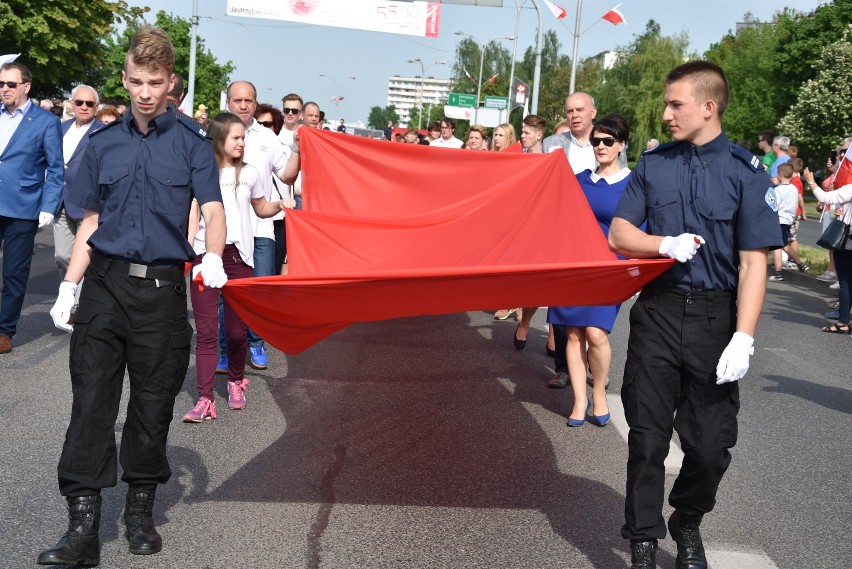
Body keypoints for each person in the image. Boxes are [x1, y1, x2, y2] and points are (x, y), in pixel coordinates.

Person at [39, 25, 227, 566]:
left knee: (152, 407)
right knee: (91, 404)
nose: (146, 92)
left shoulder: (192, 146)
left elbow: (213, 209)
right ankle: (82, 529)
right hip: (104, 288)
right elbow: (90, 221)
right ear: (125, 81)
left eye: (156, 82)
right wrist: (69, 285)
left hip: (164, 292)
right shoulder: (102, 144)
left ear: (172, 84)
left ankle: (140, 512)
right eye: (137, 82)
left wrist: (212, 254)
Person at [608, 61, 783, 569]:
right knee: (646, 438)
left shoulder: (746, 173)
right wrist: (662, 243)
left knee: (709, 447)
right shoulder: (654, 164)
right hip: (658, 313)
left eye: (675, 104)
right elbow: (620, 234)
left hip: (714, 319)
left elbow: (754, 264)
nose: (666, 114)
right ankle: (642, 540)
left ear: (709, 107)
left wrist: (744, 338)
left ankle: (686, 519)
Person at [184, 112, 292, 422]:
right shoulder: (201, 172)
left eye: (243, 137)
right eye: (236, 137)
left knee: (235, 332)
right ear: (219, 139)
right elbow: (193, 213)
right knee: (205, 332)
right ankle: (205, 399)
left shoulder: (253, 173)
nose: (242, 143)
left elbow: (261, 208)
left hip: (240, 260)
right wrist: (189, 251)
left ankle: (235, 381)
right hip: (206, 256)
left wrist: (281, 205)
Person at [546, 114, 632, 429]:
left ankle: (598, 392)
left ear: (622, 144)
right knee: (572, 333)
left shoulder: (633, 184)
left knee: (595, 333)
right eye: (596, 141)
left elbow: (640, 229)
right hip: (575, 267)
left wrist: (633, 272)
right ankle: (580, 400)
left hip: (610, 270)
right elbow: (556, 218)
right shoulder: (580, 180)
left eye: (608, 141)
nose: (600, 146)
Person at [223, 80, 299, 372]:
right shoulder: (214, 135)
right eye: (238, 100)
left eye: (249, 100)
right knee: (225, 291)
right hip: (225, 229)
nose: (243, 105)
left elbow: (288, 175)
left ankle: (255, 342)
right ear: (228, 102)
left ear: (256, 104)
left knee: (259, 290)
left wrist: (298, 151)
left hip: (262, 227)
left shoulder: (268, 138)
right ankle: (223, 348)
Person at [0, 61, 64, 354]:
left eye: (11, 84)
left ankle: (4, 331)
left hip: (22, 209)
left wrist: (49, 205)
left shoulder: (45, 122)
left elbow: (55, 169)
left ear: (26, 87)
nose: (5, 89)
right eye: (1, 84)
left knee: (14, 273)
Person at [54, 85, 105, 281]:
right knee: (62, 255)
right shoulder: (61, 128)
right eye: (79, 102)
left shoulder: (103, 132)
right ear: (72, 104)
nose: (84, 107)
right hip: (61, 202)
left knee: (85, 255)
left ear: (96, 106)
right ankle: (70, 291)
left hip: (88, 204)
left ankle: (75, 306)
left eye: (89, 103)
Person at [803, 162, 852, 333]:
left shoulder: (850, 189)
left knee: (846, 282)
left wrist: (810, 181)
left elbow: (825, 198)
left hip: (848, 244)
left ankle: (843, 322)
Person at [768, 162, 809, 281]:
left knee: (777, 246)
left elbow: (776, 205)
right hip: (789, 219)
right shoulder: (794, 189)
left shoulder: (778, 190)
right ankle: (800, 264)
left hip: (779, 219)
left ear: (780, 174)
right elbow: (795, 203)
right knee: (785, 243)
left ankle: (778, 272)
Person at [543, 91, 597, 173]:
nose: (574, 115)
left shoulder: (610, 142)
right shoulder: (550, 143)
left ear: (593, 113)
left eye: (579, 110)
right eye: (570, 111)